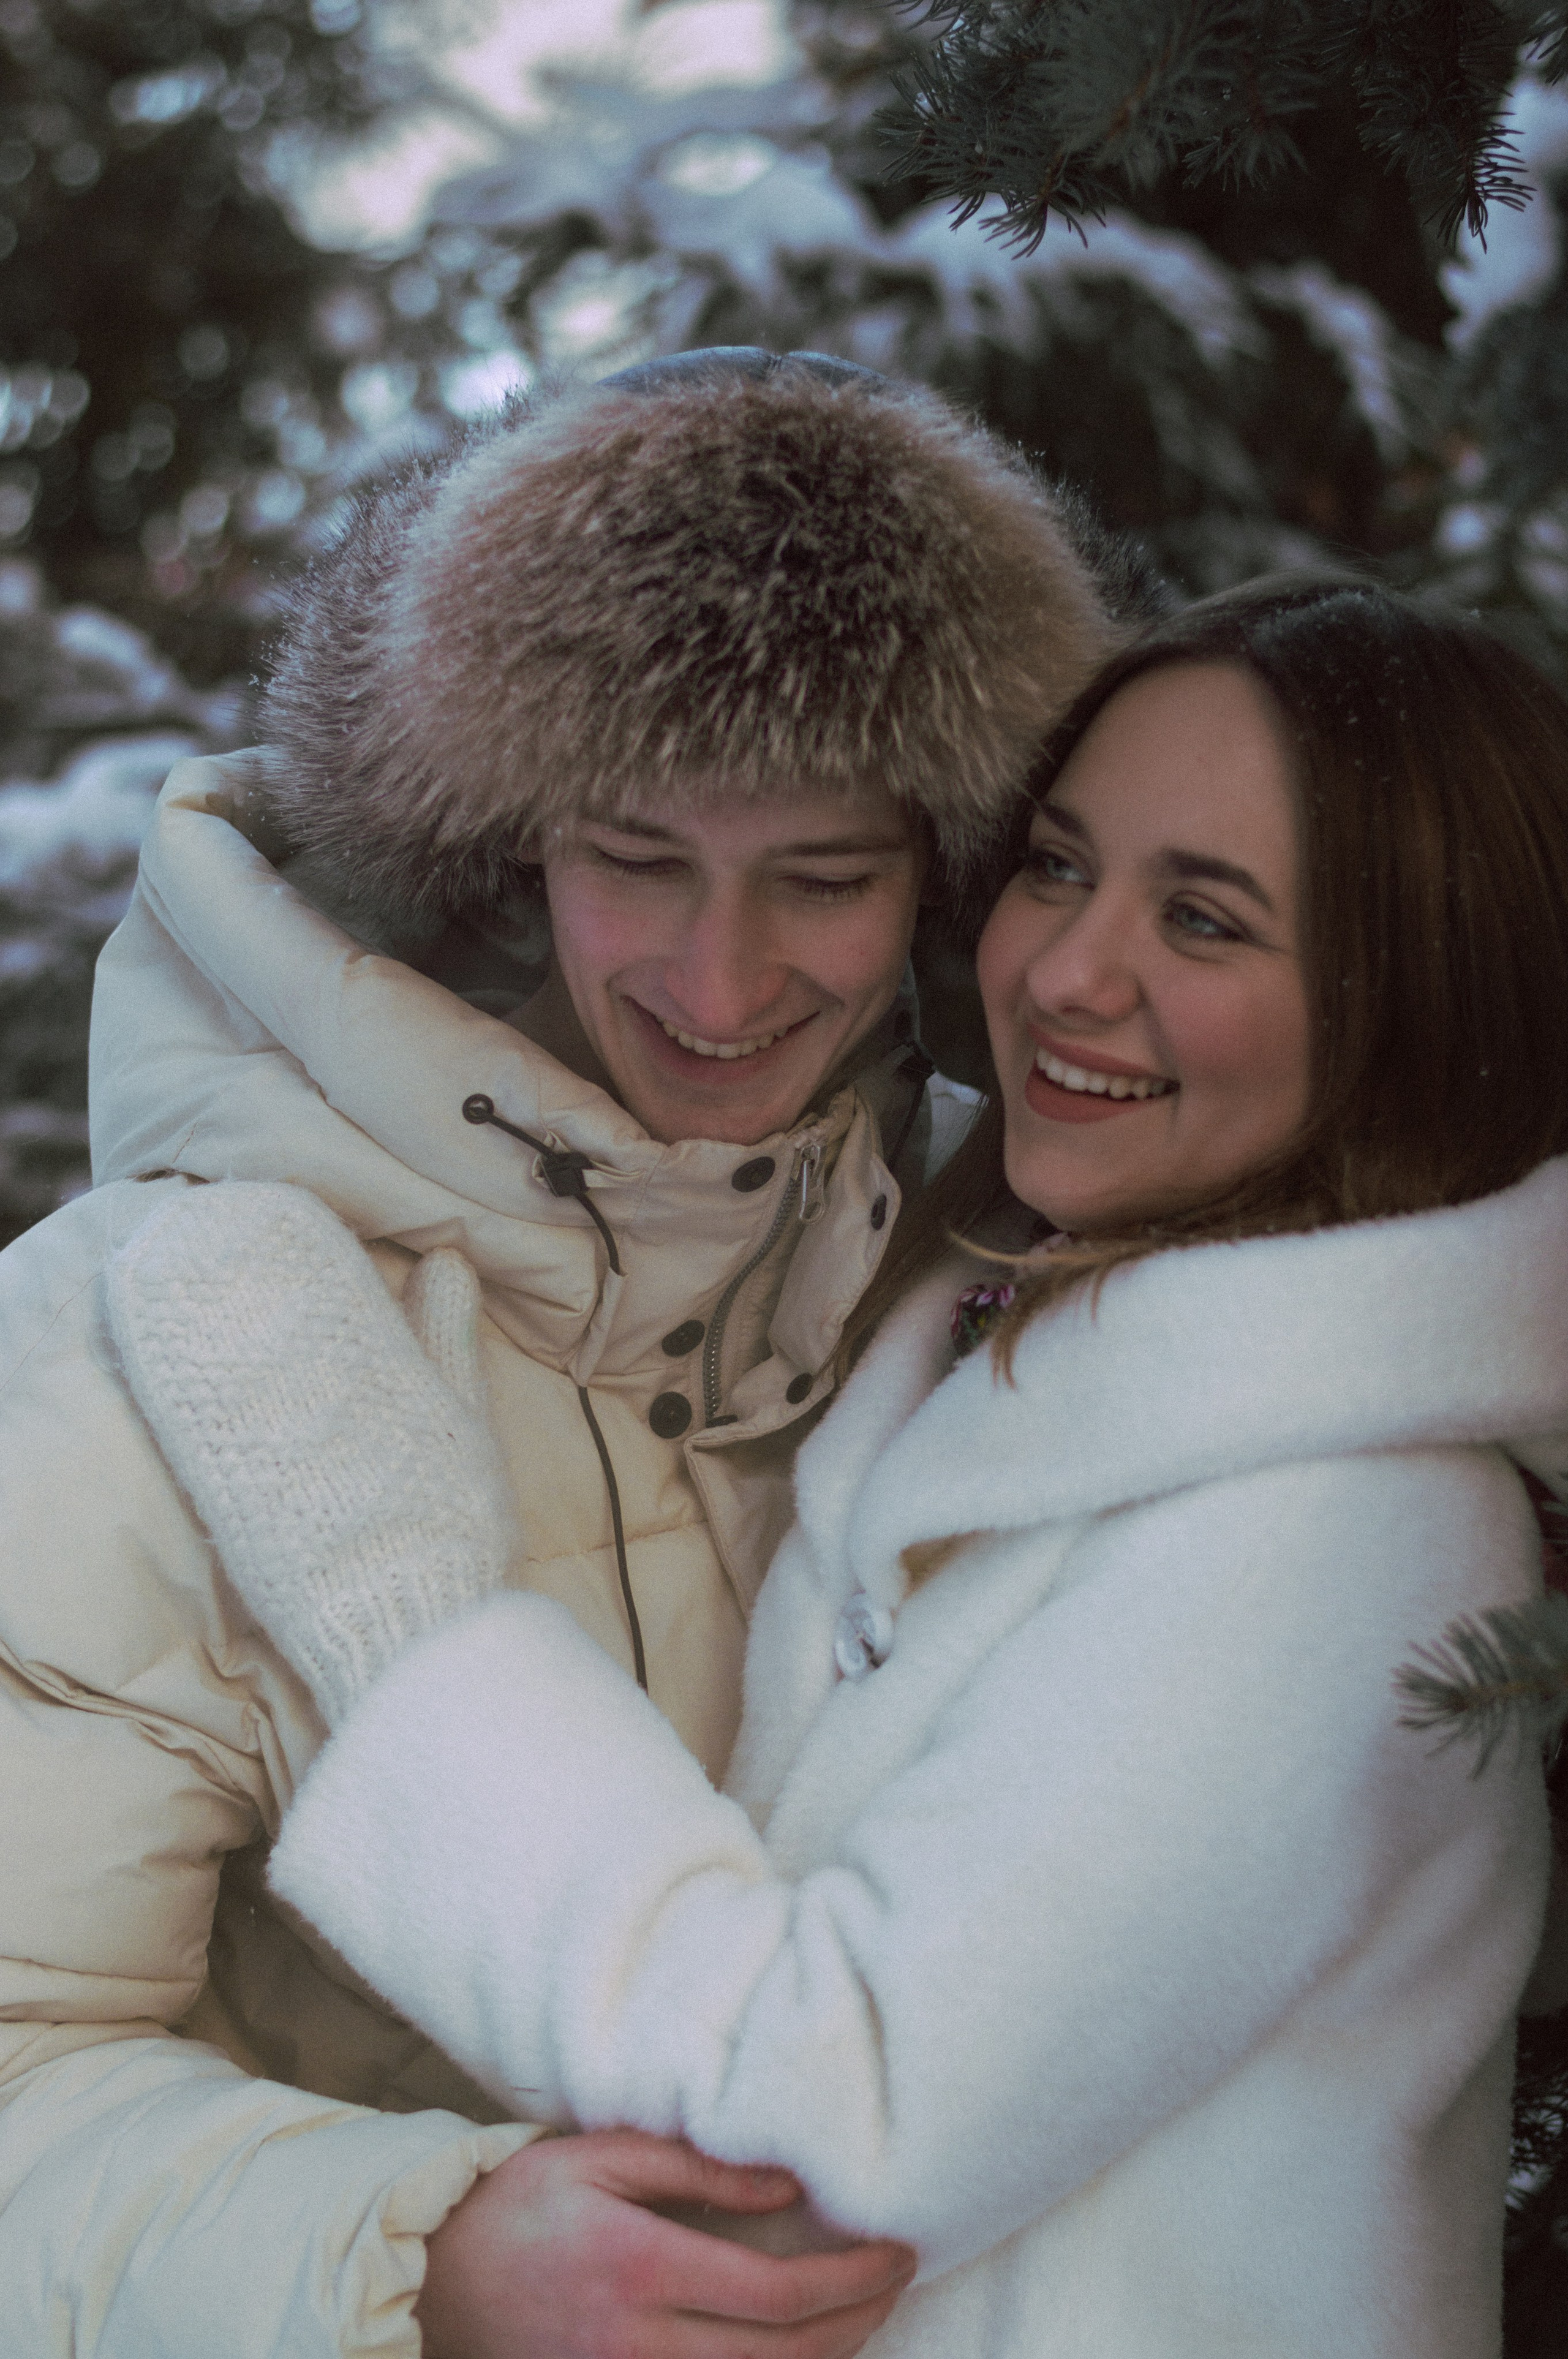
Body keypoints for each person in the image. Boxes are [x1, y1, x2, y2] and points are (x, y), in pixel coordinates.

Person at [121, 575, 1568, 2357]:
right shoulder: (992, 1330)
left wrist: (405, 1612)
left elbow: (828, 2114)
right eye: (1057, 865)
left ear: (1409, 994)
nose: (1065, 972)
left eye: (1204, 919)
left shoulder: (1350, 1521)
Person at [0, 352, 1122, 2355]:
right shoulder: (151, 1329)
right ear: (511, 842)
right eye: (641, 856)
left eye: (825, 877)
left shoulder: (1020, 1263)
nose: (720, 978)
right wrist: (418, 2255)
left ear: (944, 872)